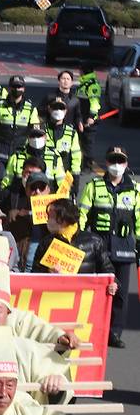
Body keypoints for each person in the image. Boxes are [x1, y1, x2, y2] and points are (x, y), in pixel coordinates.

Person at [79, 145, 140, 347]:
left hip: (124, 246)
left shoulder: (135, 190)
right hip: (99, 245)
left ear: (126, 164)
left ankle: (114, 333)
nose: (116, 165)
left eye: (120, 161)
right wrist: (79, 239)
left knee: (120, 293)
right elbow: (82, 215)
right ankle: (93, 329)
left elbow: (139, 219)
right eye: (112, 160)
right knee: (97, 290)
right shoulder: (94, 186)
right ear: (106, 163)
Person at [33, 198, 117, 288]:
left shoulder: (94, 241)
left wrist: (114, 284)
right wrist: (48, 272)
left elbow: (107, 270)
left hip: (84, 298)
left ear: (62, 219)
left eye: (51, 217)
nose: (47, 220)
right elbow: (35, 274)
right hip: (57, 297)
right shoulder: (46, 243)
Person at [0, 76, 39, 197]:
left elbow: (36, 131)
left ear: (24, 89)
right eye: (14, 86)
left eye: (19, 86)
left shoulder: (30, 109)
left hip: (19, 154)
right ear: (9, 88)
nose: (17, 89)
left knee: (18, 185)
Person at [0, 125, 65, 193]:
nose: (36, 139)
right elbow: (6, 181)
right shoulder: (17, 157)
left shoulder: (54, 157)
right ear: (28, 137)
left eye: (39, 136)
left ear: (45, 137)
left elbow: (62, 183)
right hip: (20, 197)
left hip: (45, 199)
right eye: (33, 136)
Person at [44, 98, 82, 190]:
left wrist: (75, 179)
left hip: (65, 178)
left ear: (66, 111)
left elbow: (76, 158)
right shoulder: (41, 130)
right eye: (55, 108)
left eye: (61, 108)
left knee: (64, 203)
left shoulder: (71, 133)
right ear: (49, 109)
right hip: (44, 179)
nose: (58, 111)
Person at [76, 65, 101, 169]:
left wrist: (91, 117)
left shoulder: (92, 85)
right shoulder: (84, 84)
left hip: (88, 119)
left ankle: (88, 165)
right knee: (81, 141)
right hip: (81, 117)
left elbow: (95, 102)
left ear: (83, 71)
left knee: (87, 142)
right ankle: (83, 163)